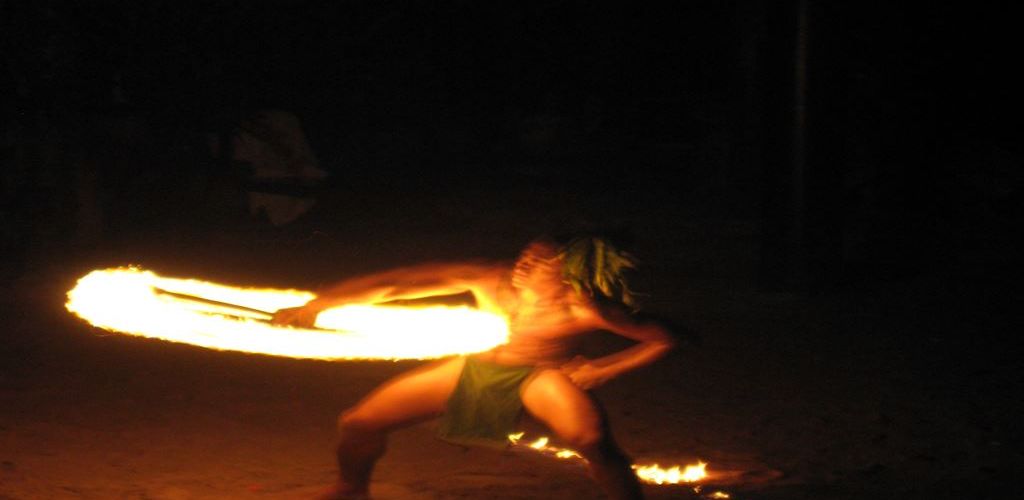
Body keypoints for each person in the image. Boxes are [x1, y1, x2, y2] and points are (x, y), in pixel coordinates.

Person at [272, 237, 675, 499]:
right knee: (359, 422)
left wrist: (605, 369)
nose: (523, 264)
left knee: (590, 438)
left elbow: (665, 338)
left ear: (567, 275)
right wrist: (319, 304)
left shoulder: (585, 308)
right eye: (525, 255)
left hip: (540, 375)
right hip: (477, 367)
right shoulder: (491, 280)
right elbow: (398, 285)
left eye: (538, 263)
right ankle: (350, 488)